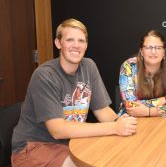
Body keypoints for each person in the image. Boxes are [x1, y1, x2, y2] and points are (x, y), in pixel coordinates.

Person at [11, 18, 137, 167]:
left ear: (86, 45)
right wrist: (115, 128)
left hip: (71, 142)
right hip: (34, 147)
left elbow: (101, 109)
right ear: (58, 43)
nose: (76, 45)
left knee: (113, 156)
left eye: (81, 41)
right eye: (70, 40)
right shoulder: (44, 75)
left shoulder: (89, 66)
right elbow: (58, 130)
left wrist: (122, 124)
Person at [118, 30, 166, 117]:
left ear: (164, 52)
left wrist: (149, 111)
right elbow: (131, 106)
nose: (153, 52)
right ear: (141, 51)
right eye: (148, 47)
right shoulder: (129, 67)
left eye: (158, 48)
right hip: (132, 120)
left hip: (164, 121)